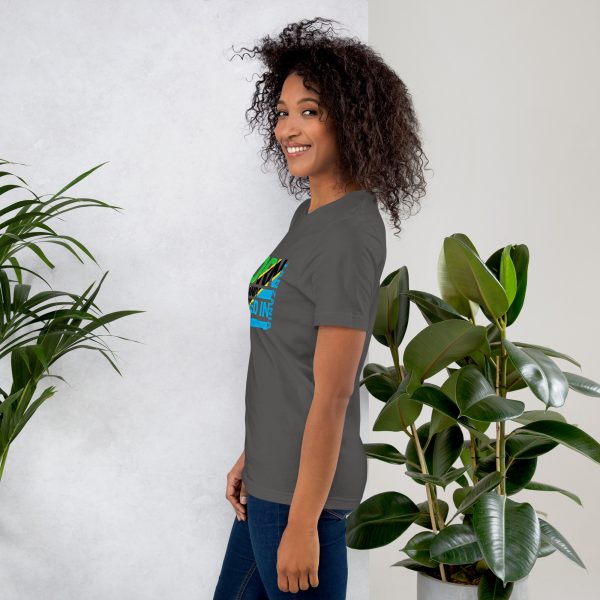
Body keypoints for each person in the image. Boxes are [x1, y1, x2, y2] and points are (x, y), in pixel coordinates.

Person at [213, 17, 428, 600]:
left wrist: (303, 523)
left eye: (309, 111)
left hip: (302, 499)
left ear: (353, 120)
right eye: (282, 112)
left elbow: (333, 393)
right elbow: (290, 360)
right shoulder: (309, 216)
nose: (288, 128)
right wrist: (254, 453)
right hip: (270, 483)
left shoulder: (350, 233)